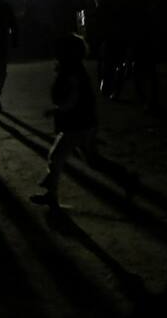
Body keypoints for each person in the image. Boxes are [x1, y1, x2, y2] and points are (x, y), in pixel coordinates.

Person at [30, 33, 97, 208]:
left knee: (56, 156)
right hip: (83, 123)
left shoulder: (72, 73)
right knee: (88, 159)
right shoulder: (74, 69)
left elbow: (72, 99)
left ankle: (51, 192)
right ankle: (126, 179)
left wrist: (57, 110)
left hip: (76, 124)